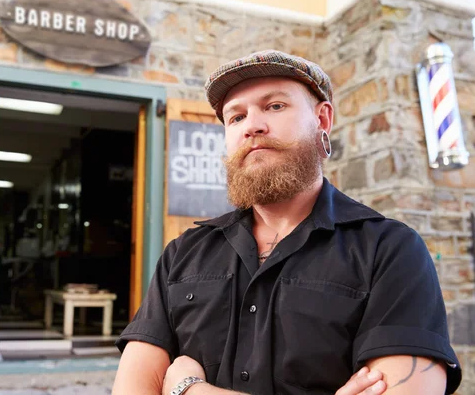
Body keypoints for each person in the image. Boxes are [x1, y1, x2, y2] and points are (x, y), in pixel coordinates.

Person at [112, 50, 462, 395]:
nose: (252, 125)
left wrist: (188, 389)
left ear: (322, 120)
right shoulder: (183, 253)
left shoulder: (389, 251)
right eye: (235, 117)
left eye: (274, 106)